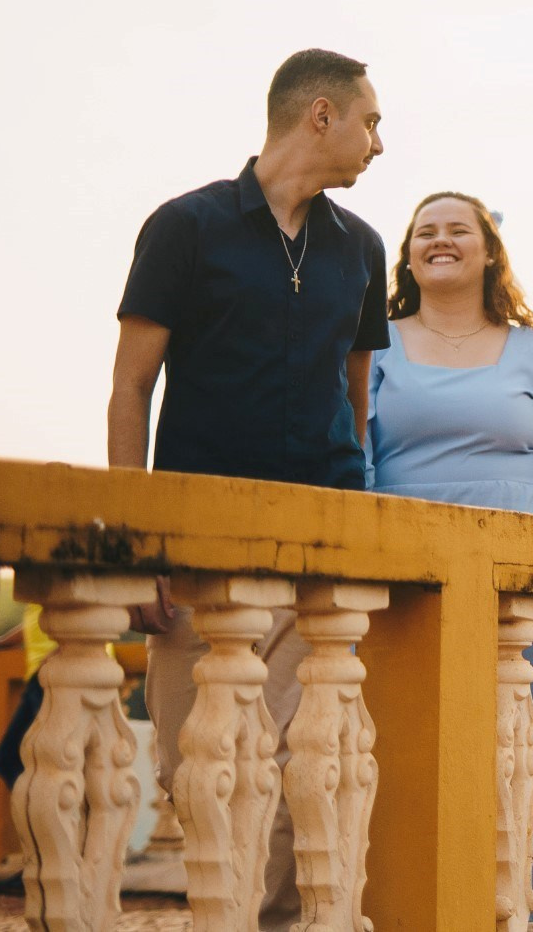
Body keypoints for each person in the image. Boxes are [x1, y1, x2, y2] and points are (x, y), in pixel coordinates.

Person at [109, 49, 388, 932]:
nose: (379, 143)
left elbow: (358, 401)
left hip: (322, 554)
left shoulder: (363, 249)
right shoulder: (184, 227)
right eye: (370, 121)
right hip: (198, 552)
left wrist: (361, 516)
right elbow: (130, 389)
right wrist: (132, 543)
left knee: (302, 780)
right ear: (319, 115)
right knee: (200, 772)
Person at [366, 190, 533, 887]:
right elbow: (353, 464)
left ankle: (519, 902)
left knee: (517, 751)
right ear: (408, 255)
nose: (440, 240)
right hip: (404, 584)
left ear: (489, 252)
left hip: (520, 593)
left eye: (457, 229)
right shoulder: (373, 346)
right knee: (402, 744)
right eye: (424, 231)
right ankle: (401, 897)